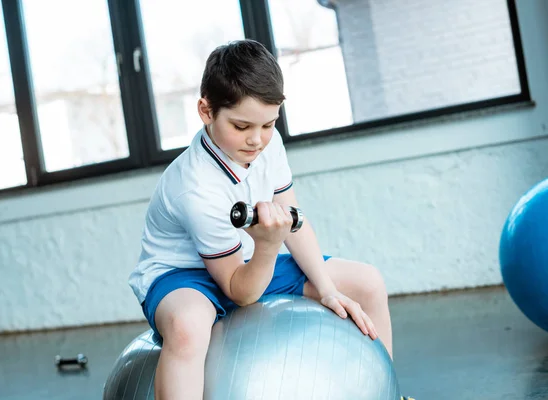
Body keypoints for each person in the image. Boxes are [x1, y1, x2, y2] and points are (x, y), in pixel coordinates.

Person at [128, 39, 414, 400]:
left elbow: (293, 220)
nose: (257, 140)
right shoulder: (195, 187)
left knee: (366, 283)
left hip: (243, 262)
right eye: (242, 125)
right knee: (189, 327)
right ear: (205, 110)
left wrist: (326, 288)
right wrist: (266, 244)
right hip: (181, 276)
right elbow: (241, 292)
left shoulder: (269, 142)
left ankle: (385, 393)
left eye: (268, 124)